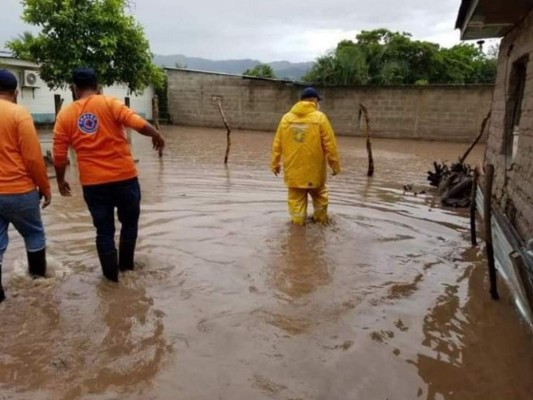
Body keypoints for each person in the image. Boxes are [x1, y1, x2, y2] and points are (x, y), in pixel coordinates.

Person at [53, 67, 165, 282]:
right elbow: (138, 123)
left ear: (74, 88)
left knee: (104, 231)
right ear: (97, 86)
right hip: (125, 179)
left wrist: (60, 180)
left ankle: (111, 282)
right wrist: (156, 134)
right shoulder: (110, 103)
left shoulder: (65, 115)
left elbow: (59, 155)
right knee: (129, 224)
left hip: (94, 184)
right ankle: (127, 270)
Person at [0, 69, 51, 302]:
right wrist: (45, 188)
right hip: (19, 190)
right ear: (16, 92)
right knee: (34, 234)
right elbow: (32, 158)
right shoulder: (19, 114)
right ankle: (38, 283)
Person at [271, 87, 340, 225]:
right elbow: (330, 145)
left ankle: (297, 231)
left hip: (293, 173)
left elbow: (277, 144)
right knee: (320, 198)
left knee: (296, 204)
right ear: (314, 101)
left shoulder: (286, 118)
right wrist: (335, 165)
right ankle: (320, 224)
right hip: (315, 172)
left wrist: (275, 164)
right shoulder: (320, 118)